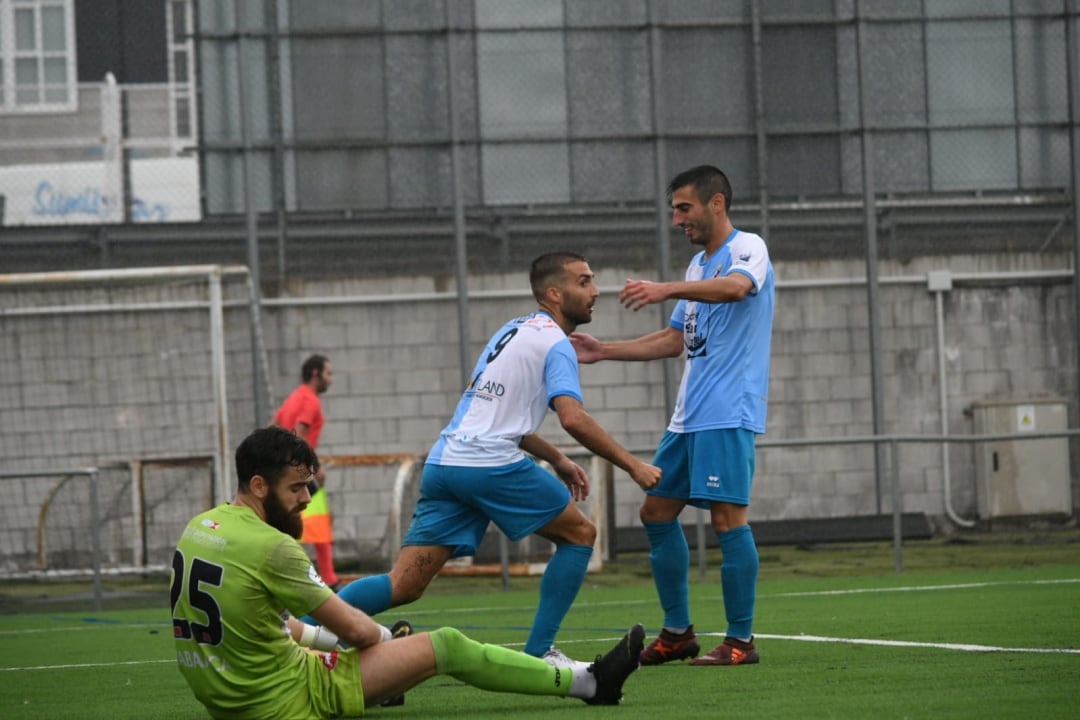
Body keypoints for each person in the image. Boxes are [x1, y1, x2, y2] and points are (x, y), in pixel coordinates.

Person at [171, 426, 646, 719]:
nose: (305, 499)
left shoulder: (200, 528)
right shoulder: (273, 547)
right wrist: (386, 644)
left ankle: (386, 683)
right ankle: (590, 682)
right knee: (447, 645)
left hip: (228, 699)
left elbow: (274, 624)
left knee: (378, 643)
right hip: (286, 700)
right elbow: (357, 630)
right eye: (296, 488)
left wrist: (370, 649)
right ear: (258, 485)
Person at [335, 252, 662, 663]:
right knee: (580, 535)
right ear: (554, 294)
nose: (595, 291)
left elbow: (494, 413)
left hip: (445, 464)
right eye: (584, 282)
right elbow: (573, 419)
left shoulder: (510, 331)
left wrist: (557, 460)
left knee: (404, 585)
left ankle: (307, 629)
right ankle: (539, 654)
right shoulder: (556, 344)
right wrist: (634, 465)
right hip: (488, 465)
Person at [571, 165, 774, 667]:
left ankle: (740, 642)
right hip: (689, 416)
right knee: (656, 512)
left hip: (727, 411)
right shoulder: (694, 268)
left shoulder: (749, 248)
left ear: (717, 203)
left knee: (728, 520)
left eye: (684, 208)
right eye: (675, 209)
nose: (677, 218)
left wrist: (663, 289)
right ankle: (680, 633)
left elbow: (737, 289)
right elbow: (675, 340)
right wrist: (604, 351)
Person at [272, 353, 340, 590]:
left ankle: (326, 578)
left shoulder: (293, 398)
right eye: (328, 374)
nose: (330, 380)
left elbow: (275, 426)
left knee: (294, 523)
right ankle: (328, 581)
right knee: (315, 525)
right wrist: (313, 468)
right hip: (299, 470)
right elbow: (299, 433)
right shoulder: (310, 401)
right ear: (315, 374)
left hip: (285, 470)